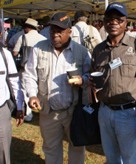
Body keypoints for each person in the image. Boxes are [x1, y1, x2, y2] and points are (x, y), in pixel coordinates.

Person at [91, 2, 136, 164]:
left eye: (119, 19)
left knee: (130, 159)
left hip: (129, 113)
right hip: (104, 112)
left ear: (126, 23)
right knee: (111, 158)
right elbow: (94, 79)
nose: (113, 23)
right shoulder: (98, 50)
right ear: (104, 22)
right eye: (109, 19)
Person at [23, 12, 91, 164]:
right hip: (48, 112)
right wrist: (32, 95)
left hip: (73, 111)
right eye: (52, 30)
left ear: (69, 32)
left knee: (77, 147)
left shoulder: (81, 52)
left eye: (60, 31)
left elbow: (91, 76)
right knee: (51, 149)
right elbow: (29, 75)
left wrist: (82, 80)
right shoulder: (39, 49)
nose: (55, 35)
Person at [13, 18, 46, 122]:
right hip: (41, 67)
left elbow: (15, 52)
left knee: (25, 89)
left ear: (27, 27)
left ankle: (28, 114)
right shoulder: (43, 38)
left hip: (26, 67)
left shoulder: (23, 37)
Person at [0, 42, 24, 163]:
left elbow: (15, 81)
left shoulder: (5, 55)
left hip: (1, 109)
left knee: (2, 151)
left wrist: (19, 108)